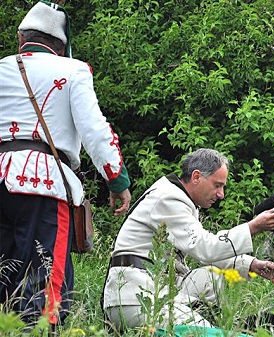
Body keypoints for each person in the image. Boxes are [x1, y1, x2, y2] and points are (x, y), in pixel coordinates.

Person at [0, 1, 131, 326]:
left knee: (4, 279)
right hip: (43, 185)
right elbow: (96, 130)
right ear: (62, 46)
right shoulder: (73, 70)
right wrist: (117, 181)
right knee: (46, 286)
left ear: (21, 38)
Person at [102, 148, 274, 331]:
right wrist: (253, 227)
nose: (221, 194)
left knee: (212, 277)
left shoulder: (180, 198)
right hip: (134, 298)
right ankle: (217, 328)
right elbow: (205, 248)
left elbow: (205, 253)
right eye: (218, 185)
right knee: (200, 332)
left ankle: (221, 323)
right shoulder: (168, 198)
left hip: (158, 287)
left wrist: (252, 264)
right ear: (196, 177)